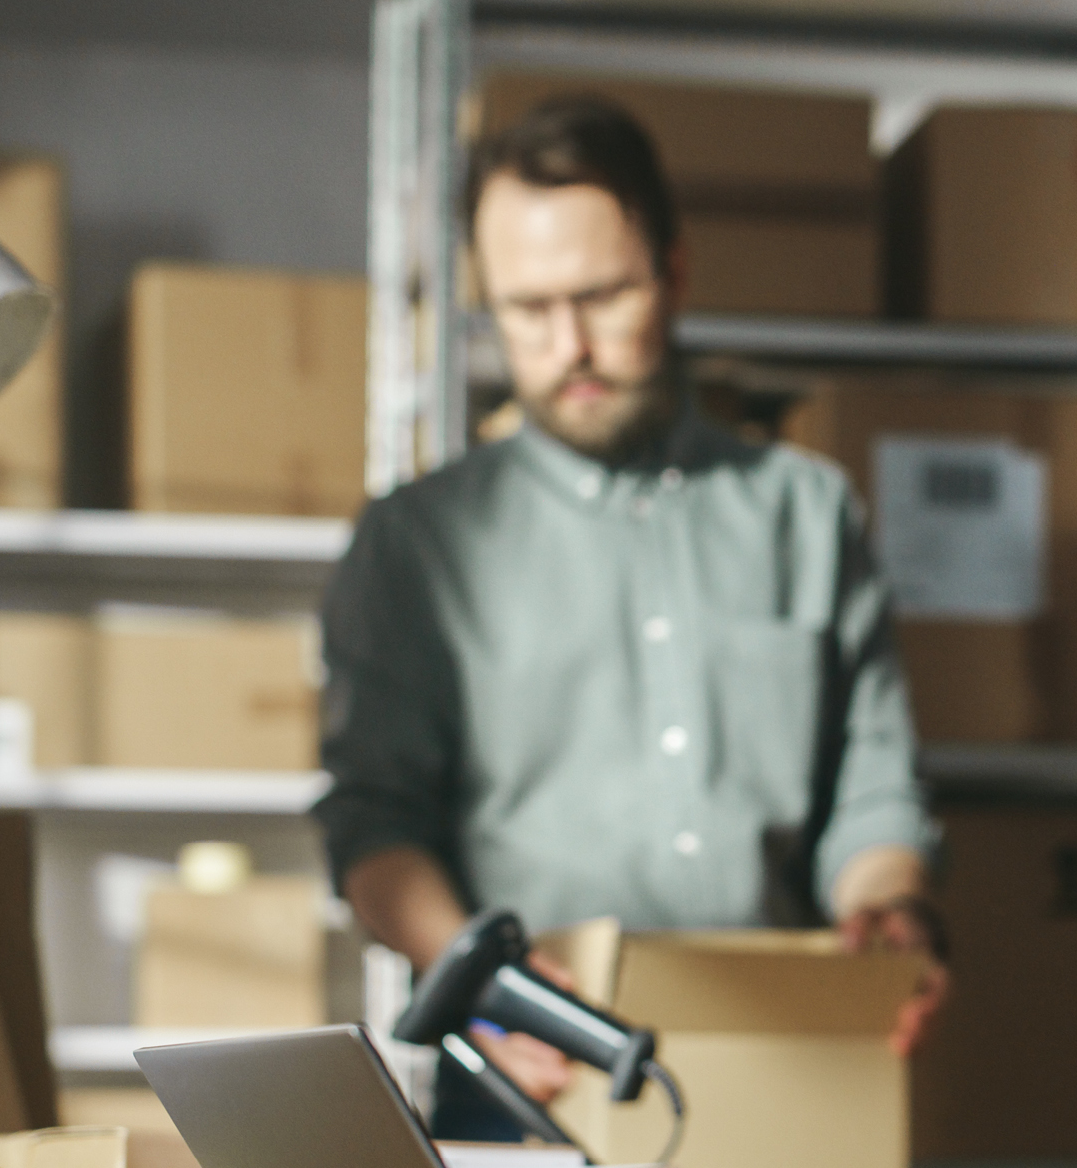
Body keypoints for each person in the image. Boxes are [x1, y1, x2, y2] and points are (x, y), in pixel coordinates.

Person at [311, 95, 945, 1119]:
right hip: (533, 1073)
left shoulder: (807, 513)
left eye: (601, 296)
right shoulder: (415, 543)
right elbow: (372, 825)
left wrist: (886, 908)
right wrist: (478, 981)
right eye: (525, 309)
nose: (569, 346)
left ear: (673, 273)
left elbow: (872, 794)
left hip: (785, 1066)